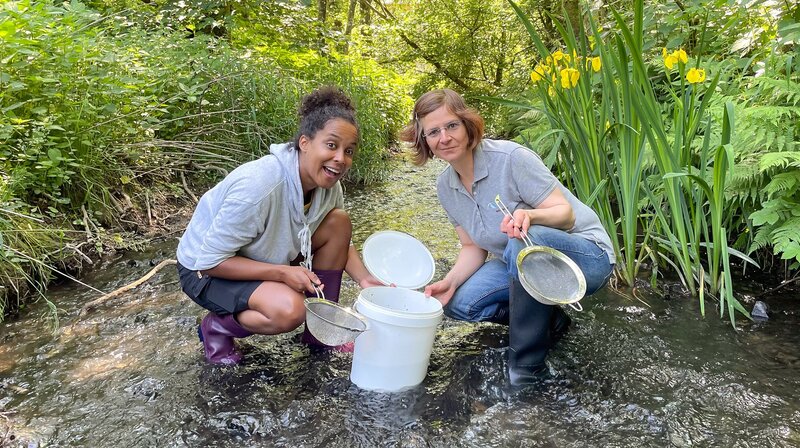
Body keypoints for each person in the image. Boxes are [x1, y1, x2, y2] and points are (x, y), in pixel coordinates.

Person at [400, 89, 614, 385]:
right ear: (425, 142)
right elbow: (472, 246)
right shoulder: (445, 187)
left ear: (467, 124)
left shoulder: (511, 158)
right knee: (458, 303)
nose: (444, 137)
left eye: (451, 126)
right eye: (433, 132)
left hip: (587, 258)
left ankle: (526, 369)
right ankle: (551, 323)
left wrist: (532, 216)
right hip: (519, 263)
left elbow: (565, 214)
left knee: (521, 241)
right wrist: (449, 282)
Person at [176, 86, 380, 365]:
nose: (341, 159)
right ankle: (217, 328)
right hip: (204, 272)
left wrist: (365, 280)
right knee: (289, 309)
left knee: (339, 222)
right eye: (331, 145)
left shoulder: (329, 185)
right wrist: (283, 273)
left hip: (258, 257)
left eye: (349, 151)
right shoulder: (259, 186)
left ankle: (320, 334)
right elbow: (209, 261)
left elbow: (340, 240)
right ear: (304, 142)